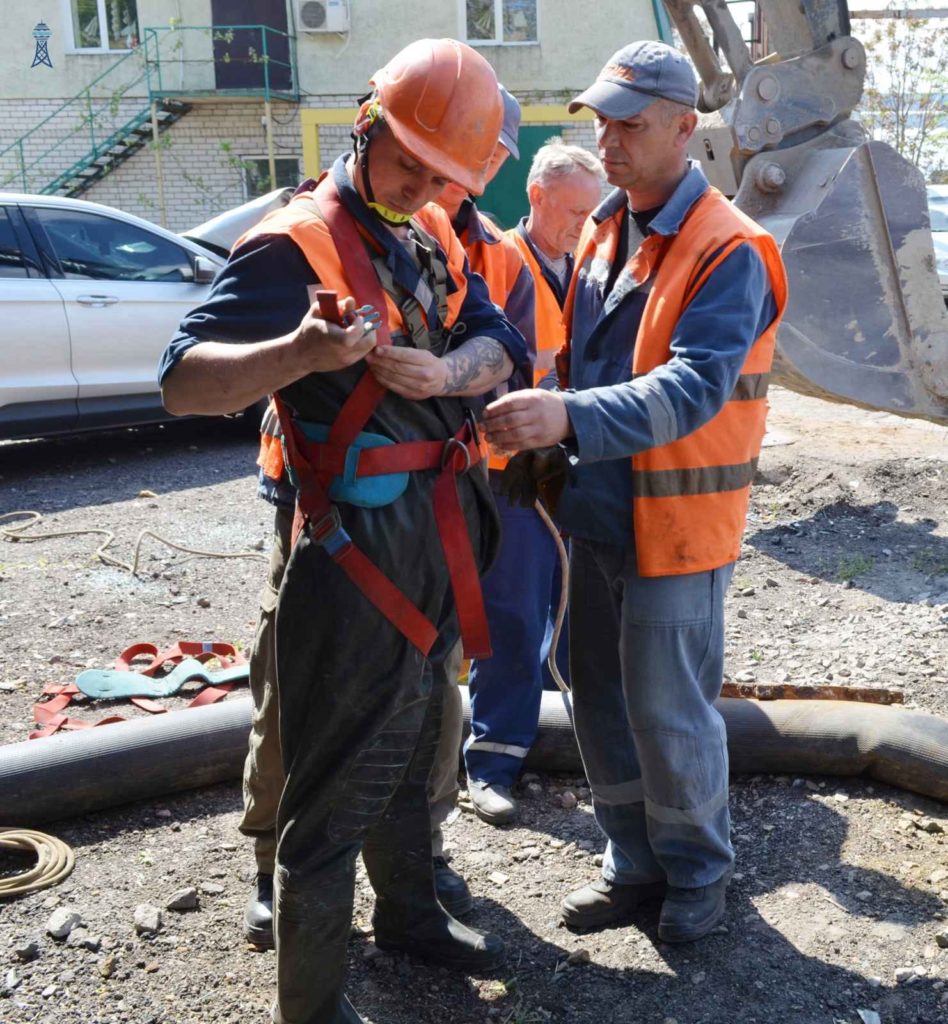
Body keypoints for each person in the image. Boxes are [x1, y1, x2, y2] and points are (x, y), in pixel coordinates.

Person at [160, 38, 530, 1024]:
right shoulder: (297, 244)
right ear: (366, 125)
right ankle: (313, 1002)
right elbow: (183, 380)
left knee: (417, 752)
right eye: (407, 161)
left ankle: (410, 916)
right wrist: (299, 351)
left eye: (441, 174)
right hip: (350, 554)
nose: (419, 185)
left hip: (440, 536)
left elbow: (510, 342)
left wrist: (453, 373)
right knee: (325, 795)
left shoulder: (440, 228)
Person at [483, 40, 787, 943]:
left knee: (668, 710)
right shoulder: (608, 229)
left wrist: (566, 416)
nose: (610, 141)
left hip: (678, 527)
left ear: (686, 128)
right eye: (602, 122)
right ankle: (631, 860)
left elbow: (695, 386)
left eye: (631, 124)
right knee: (596, 695)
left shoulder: (730, 248)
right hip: (595, 518)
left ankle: (697, 874)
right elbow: (584, 355)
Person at [460, 138, 605, 825]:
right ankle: (491, 760)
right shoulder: (498, 260)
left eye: (592, 211)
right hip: (511, 470)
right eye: (573, 209)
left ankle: (599, 747)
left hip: (576, 462)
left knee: (585, 608)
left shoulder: (595, 266)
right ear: (537, 196)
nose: (584, 223)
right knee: (513, 615)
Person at [432, 86, 543, 826]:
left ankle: (492, 757)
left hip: (485, 474)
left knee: (506, 613)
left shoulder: (502, 257)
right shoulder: (344, 229)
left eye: (488, 145)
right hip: (367, 487)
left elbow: (528, 359)